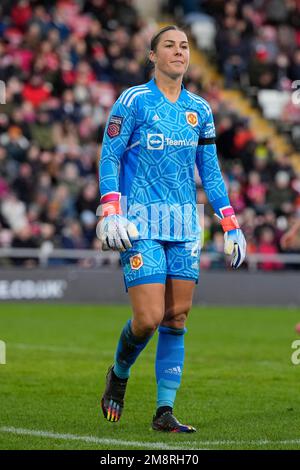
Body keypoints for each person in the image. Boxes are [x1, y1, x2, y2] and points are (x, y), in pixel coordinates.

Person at [98, 25, 247, 433]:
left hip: (184, 224)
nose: (179, 51)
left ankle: (164, 411)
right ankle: (120, 372)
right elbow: (109, 156)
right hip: (139, 221)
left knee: (176, 318)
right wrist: (111, 208)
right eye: (170, 45)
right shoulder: (133, 101)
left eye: (184, 46)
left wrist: (230, 222)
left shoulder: (199, 108)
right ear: (153, 55)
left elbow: (211, 172)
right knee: (148, 318)